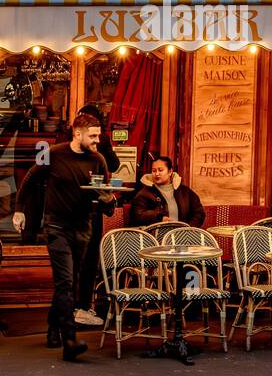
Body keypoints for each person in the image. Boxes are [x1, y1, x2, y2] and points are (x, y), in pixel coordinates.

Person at [13, 113, 113, 361]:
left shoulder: (98, 160)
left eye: (98, 135)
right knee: (66, 282)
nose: (97, 140)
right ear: (77, 134)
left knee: (69, 282)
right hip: (56, 227)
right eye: (93, 135)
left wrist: (108, 200)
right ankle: (69, 339)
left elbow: (107, 198)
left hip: (83, 228)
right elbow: (28, 180)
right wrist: (19, 210)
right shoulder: (53, 153)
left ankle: (52, 327)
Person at [73, 103, 120, 329]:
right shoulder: (68, 144)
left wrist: (105, 144)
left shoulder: (101, 145)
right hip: (72, 210)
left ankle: (83, 305)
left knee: (90, 259)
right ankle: (73, 307)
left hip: (94, 209)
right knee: (73, 262)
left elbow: (115, 164)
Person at [128, 155, 206, 227]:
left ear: (170, 171)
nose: (157, 174)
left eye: (160, 170)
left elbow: (199, 213)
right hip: (155, 236)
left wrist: (189, 229)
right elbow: (137, 215)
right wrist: (159, 219)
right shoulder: (144, 193)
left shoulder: (185, 192)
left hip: (183, 236)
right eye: (154, 171)